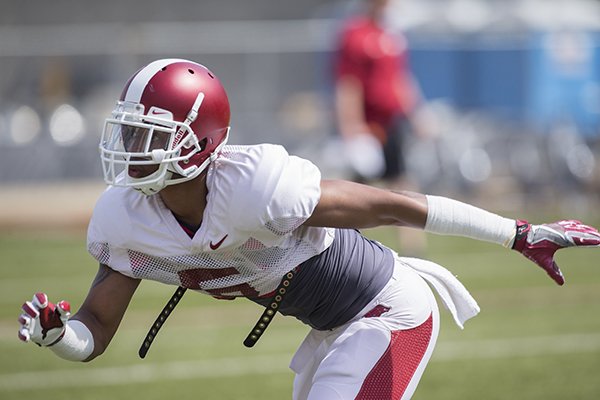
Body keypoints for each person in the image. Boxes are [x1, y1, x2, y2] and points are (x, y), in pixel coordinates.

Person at [17, 59, 600, 400]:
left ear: (200, 141)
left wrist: (519, 234)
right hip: (330, 328)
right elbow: (94, 329)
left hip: (386, 310)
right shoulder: (125, 219)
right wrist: (58, 337)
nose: (130, 149)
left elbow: (394, 205)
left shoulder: (257, 187)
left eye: (149, 135)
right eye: (129, 132)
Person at [333, 0, 431, 255]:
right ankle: (344, 248)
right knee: (354, 194)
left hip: (391, 124)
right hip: (367, 126)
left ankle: (414, 251)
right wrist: (351, 126)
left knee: (403, 184)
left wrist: (417, 114)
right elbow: (348, 83)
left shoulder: (392, 36)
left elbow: (401, 78)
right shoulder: (355, 34)